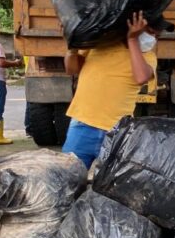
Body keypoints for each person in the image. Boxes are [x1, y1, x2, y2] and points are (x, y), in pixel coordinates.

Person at [63, 11, 159, 168]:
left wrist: (132, 39)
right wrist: (71, 47)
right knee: (69, 179)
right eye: (150, 31)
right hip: (82, 124)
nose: (154, 37)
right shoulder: (98, 45)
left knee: (111, 187)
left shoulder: (147, 57)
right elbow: (71, 69)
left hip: (117, 132)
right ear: (130, 26)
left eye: (156, 34)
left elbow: (141, 77)